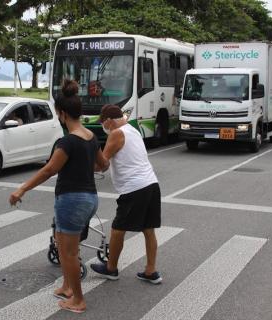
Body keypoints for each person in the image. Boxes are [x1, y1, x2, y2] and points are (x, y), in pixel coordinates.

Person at [9, 80, 109, 314]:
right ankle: (66, 286)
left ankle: (78, 299)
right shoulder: (90, 137)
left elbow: (49, 170)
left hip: (72, 200)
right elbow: (102, 165)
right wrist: (84, 165)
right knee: (60, 240)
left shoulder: (67, 141)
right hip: (90, 198)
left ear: (62, 113)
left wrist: (21, 189)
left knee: (69, 252)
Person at [90, 104, 163, 284]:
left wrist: (83, 164)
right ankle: (151, 271)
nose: (103, 127)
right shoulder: (133, 130)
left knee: (117, 230)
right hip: (151, 185)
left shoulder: (116, 134)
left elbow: (102, 164)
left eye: (103, 123)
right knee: (148, 229)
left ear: (108, 121)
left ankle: (111, 268)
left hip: (135, 189)